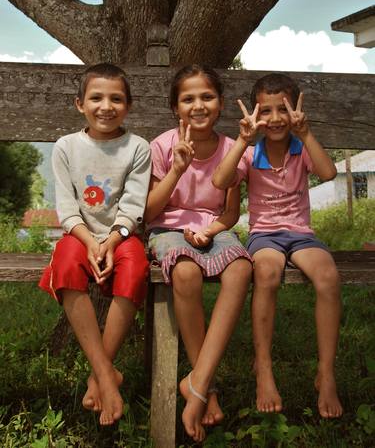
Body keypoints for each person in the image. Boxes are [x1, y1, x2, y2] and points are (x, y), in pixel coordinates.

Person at [212, 72, 343, 419]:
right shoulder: (251, 151)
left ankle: (326, 372)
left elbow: (329, 174)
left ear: (295, 111)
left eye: (282, 109)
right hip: (264, 235)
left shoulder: (301, 148)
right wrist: (241, 140)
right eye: (265, 111)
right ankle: (265, 367)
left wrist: (307, 133)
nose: (274, 119)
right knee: (266, 273)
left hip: (301, 234)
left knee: (328, 277)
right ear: (255, 115)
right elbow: (220, 180)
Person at [145, 64, 253, 442]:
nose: (198, 105)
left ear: (221, 104)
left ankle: (197, 384)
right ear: (176, 107)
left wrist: (209, 230)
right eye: (188, 98)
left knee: (241, 270)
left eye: (206, 97)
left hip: (214, 229)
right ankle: (205, 387)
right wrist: (177, 169)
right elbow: (149, 212)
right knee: (186, 273)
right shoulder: (161, 146)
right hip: (168, 229)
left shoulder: (232, 149)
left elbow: (230, 213)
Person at [39, 63, 151, 426]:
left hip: (122, 236)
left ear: (129, 106)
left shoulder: (137, 147)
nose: (106, 106)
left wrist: (111, 240)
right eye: (96, 98)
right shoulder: (66, 147)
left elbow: (133, 206)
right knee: (67, 265)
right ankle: (106, 374)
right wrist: (89, 241)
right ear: (79, 104)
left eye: (116, 99)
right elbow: (67, 207)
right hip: (78, 235)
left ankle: (97, 374)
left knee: (135, 269)